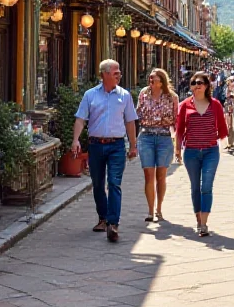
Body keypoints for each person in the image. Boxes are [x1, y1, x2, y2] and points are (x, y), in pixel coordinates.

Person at [72, 59, 138, 243]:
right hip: (96, 145)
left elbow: (130, 121)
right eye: (115, 72)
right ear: (104, 74)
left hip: (117, 145)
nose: (119, 74)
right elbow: (80, 119)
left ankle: (113, 223)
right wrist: (75, 140)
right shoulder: (90, 95)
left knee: (114, 183)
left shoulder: (124, 96)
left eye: (119, 72)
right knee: (98, 184)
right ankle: (102, 218)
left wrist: (133, 145)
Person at [176, 72, 228, 237]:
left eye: (199, 83)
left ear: (206, 86)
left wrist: (214, 139)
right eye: (193, 83)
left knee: (206, 185)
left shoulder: (215, 105)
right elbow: (179, 129)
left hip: (210, 151)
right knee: (195, 187)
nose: (196, 86)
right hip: (190, 152)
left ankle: (204, 223)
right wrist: (177, 149)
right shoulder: (184, 105)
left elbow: (222, 128)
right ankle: (198, 219)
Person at [136, 68, 179, 222]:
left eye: (154, 79)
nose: (151, 81)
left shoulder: (171, 97)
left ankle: (159, 208)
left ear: (161, 82)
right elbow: (138, 113)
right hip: (146, 135)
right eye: (150, 78)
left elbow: (176, 120)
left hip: (164, 137)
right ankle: (150, 211)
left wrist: (178, 143)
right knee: (148, 175)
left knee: (161, 176)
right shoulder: (143, 93)